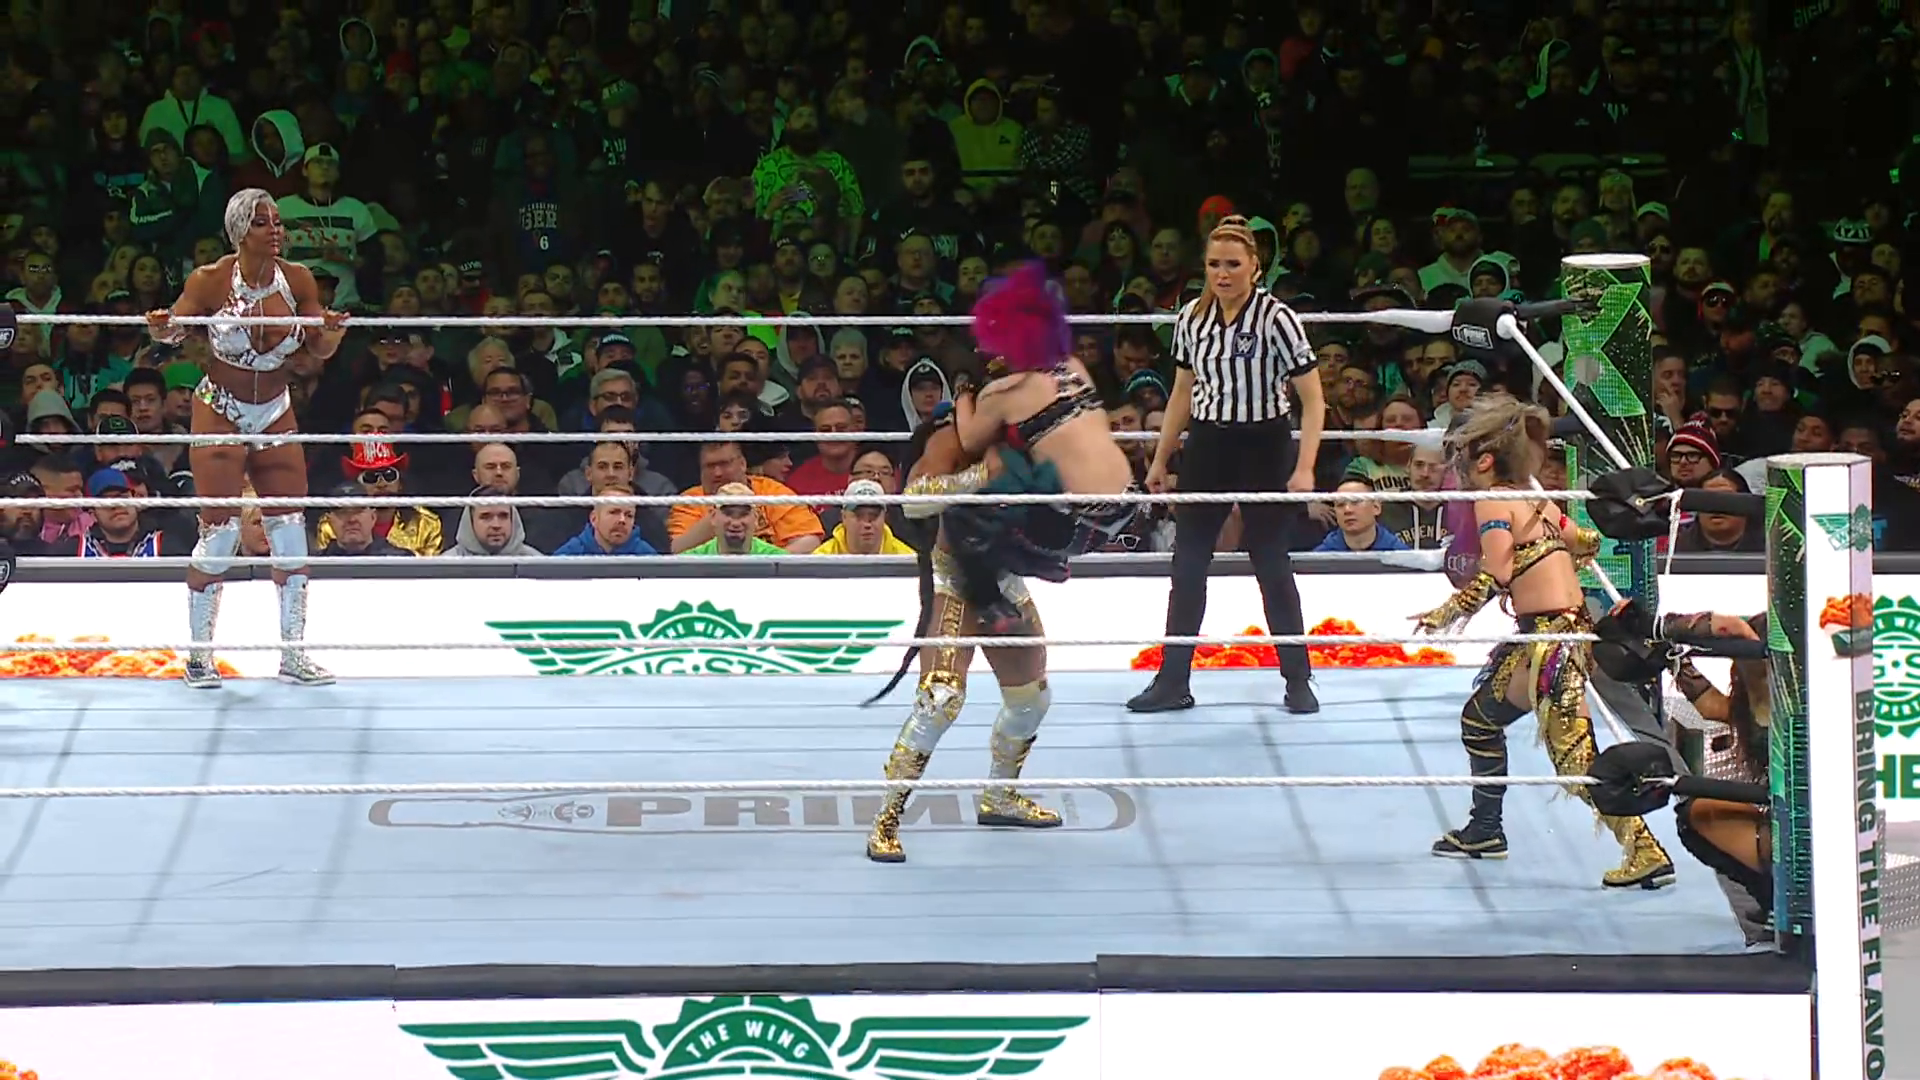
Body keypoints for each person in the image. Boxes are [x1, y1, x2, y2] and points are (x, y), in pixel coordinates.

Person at [1411, 393, 1674, 889]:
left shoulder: (1494, 500)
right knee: (1480, 720)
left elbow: (1496, 572)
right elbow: (1585, 541)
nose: (1456, 467)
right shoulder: (1536, 501)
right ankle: (1485, 829)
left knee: (1574, 759)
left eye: (1462, 455)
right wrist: (1546, 552)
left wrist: (1447, 613)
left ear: (1484, 461)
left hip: (1551, 645)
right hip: (1554, 635)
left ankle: (1644, 849)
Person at [146, 188, 347, 689]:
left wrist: (332, 331)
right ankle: (199, 657)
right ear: (239, 231)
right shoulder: (211, 279)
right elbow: (174, 330)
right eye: (263, 222)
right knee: (220, 534)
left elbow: (319, 348)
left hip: (275, 410)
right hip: (221, 409)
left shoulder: (297, 279)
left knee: (290, 533)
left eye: (277, 221)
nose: (275, 230)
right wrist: (162, 328)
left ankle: (293, 655)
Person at [1127, 215, 1327, 716]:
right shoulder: (1190, 319)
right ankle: (1173, 680)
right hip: (1209, 444)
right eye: (1214, 263)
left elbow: (1313, 399)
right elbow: (1181, 391)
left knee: (1271, 561)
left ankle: (1297, 679)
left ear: (1254, 267)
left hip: (1265, 444)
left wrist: (1305, 467)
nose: (1222, 273)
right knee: (1188, 562)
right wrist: (1160, 458)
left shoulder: (1277, 318)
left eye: (1233, 264)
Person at [863, 406, 1059, 863]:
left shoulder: (1032, 439)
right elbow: (913, 499)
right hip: (954, 577)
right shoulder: (949, 438)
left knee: (1031, 699)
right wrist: (979, 476)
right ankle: (886, 819)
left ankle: (1000, 796)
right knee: (940, 698)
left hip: (1003, 577)